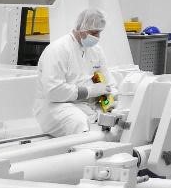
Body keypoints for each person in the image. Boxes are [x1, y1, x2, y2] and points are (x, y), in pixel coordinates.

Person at [33, 8, 117, 136]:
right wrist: (89, 91)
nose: (98, 37)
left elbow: (107, 81)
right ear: (82, 29)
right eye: (94, 33)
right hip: (56, 106)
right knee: (79, 123)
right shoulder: (58, 49)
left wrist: (110, 96)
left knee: (112, 121)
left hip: (84, 105)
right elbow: (54, 91)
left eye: (99, 33)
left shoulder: (95, 50)